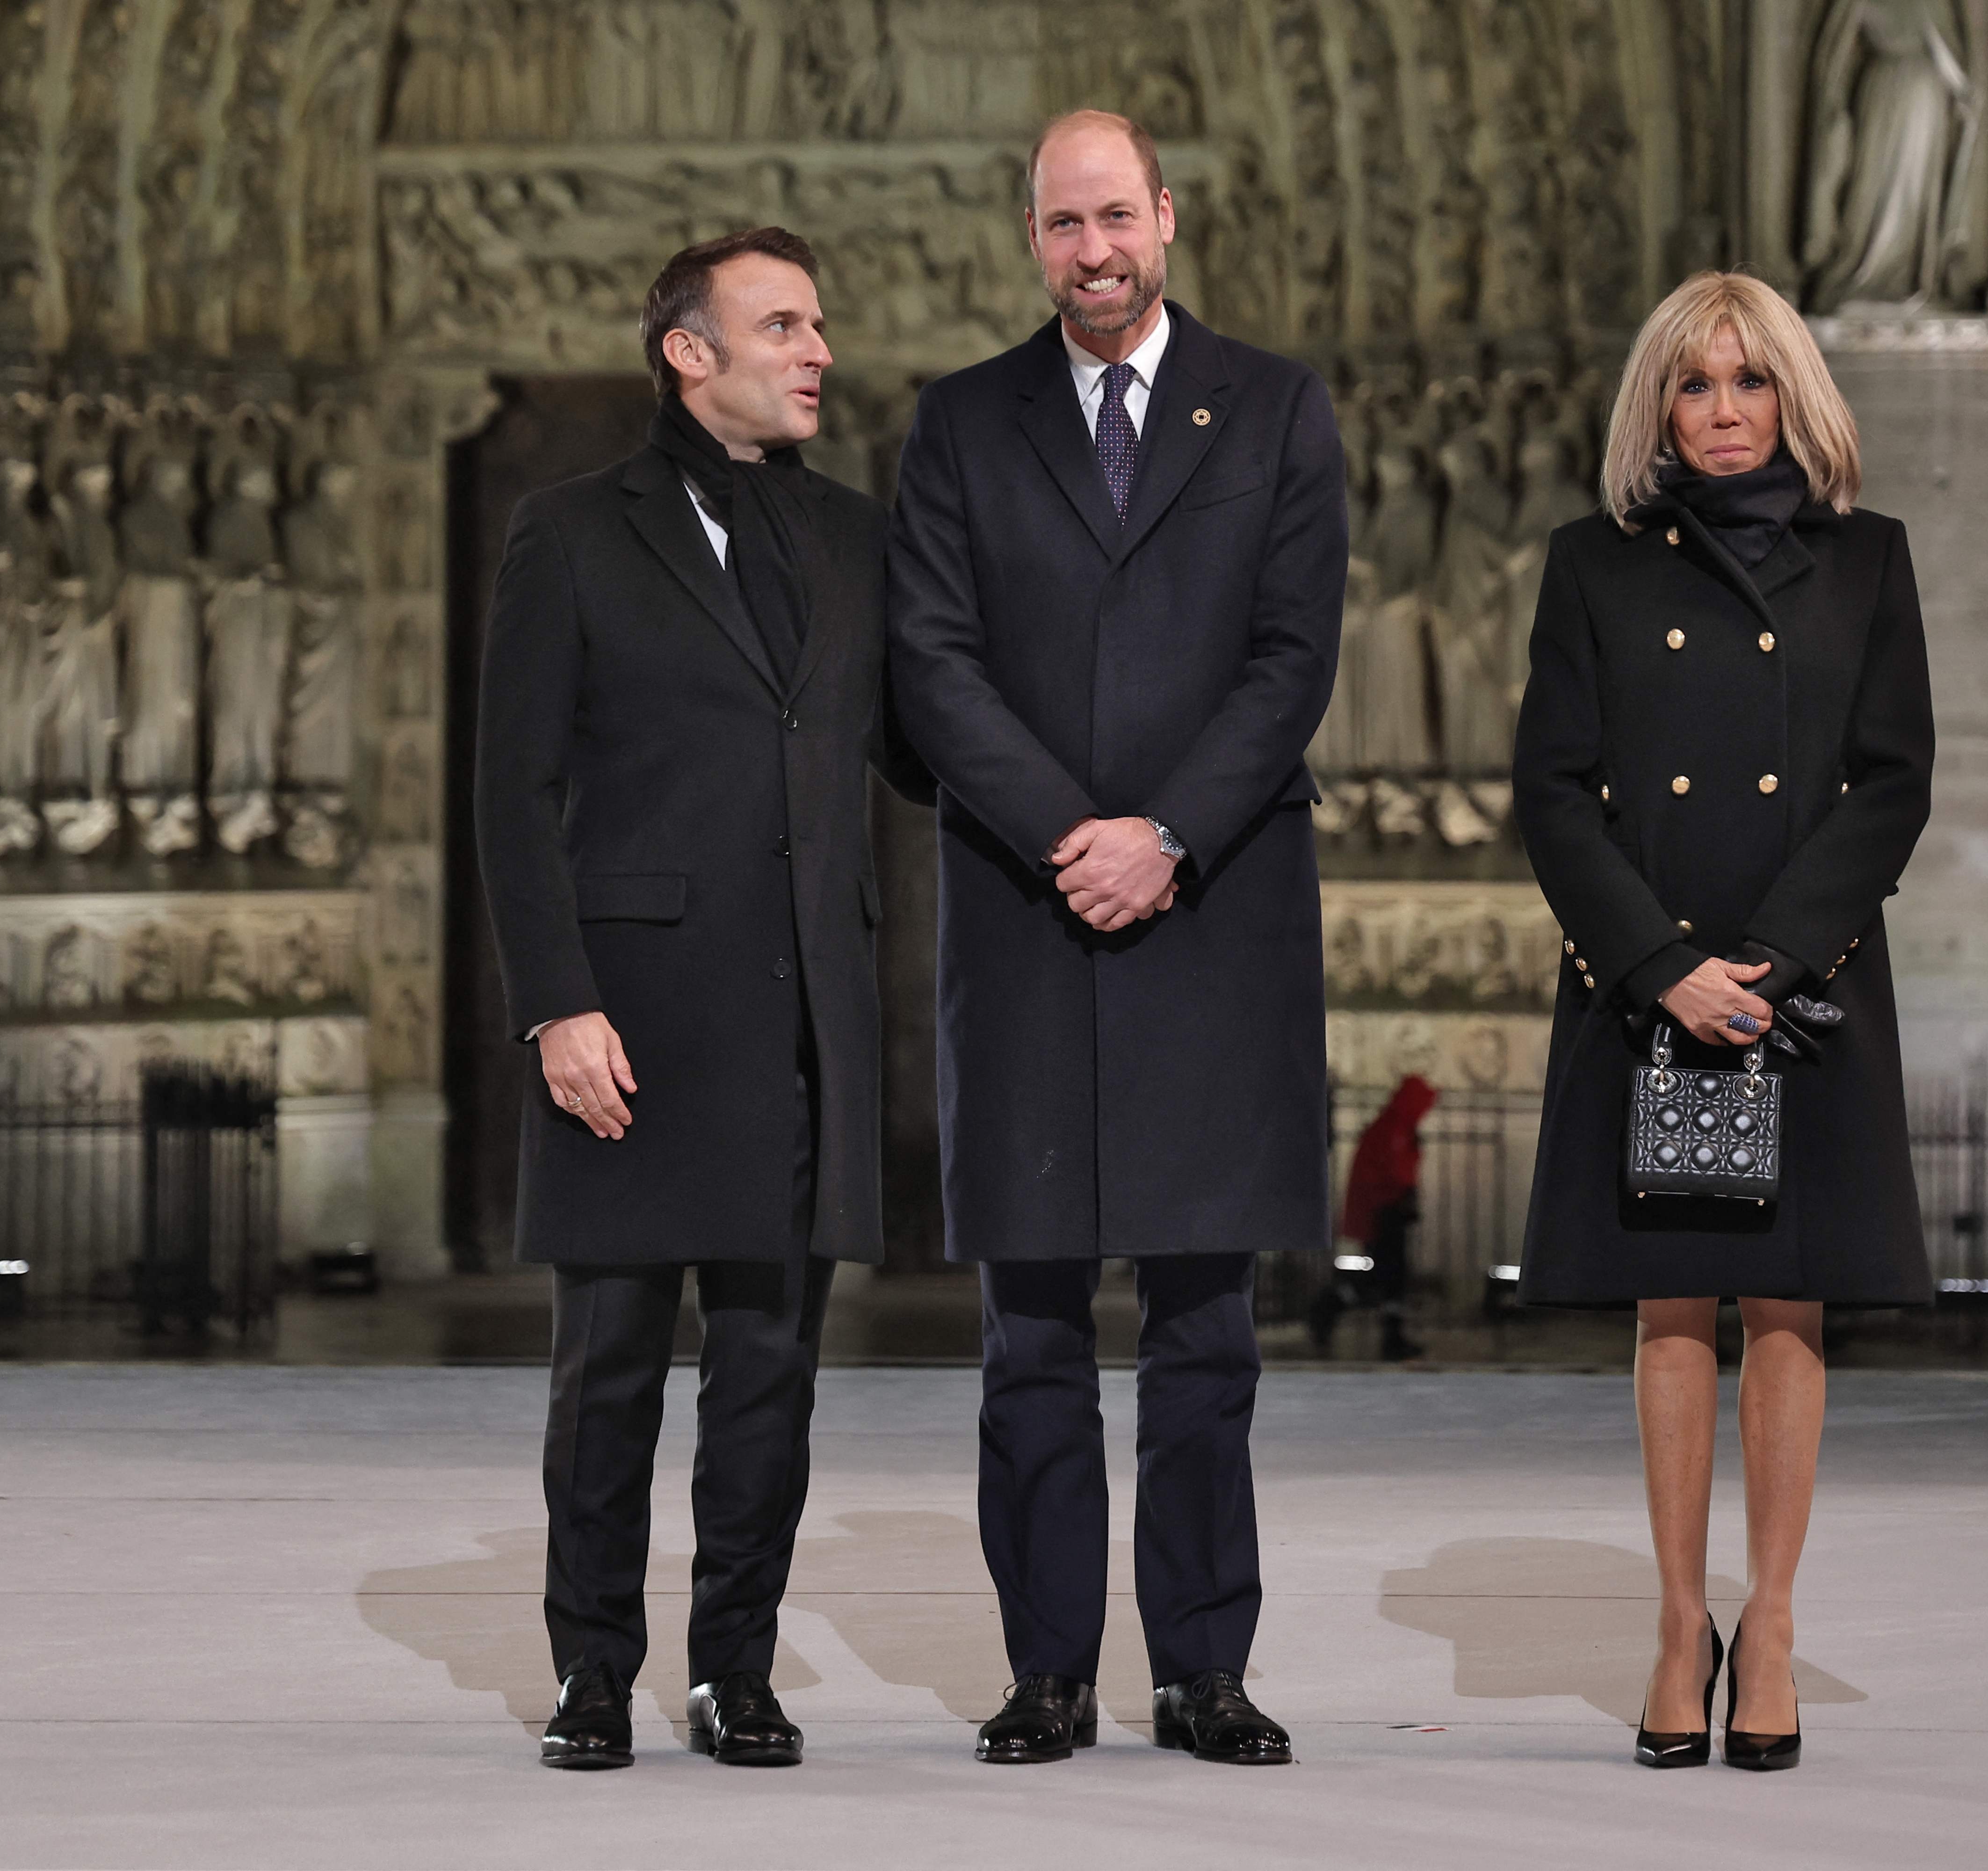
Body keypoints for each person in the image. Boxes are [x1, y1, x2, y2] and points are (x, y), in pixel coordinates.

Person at [887, 109, 1344, 1769]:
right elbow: (930, 661)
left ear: (1168, 214)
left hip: (1210, 918)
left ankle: (1205, 1673)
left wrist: (1166, 836)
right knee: (1029, 1341)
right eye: (1063, 224)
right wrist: (1070, 837)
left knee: (1210, 1336)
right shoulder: (956, 425)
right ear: (1032, 237)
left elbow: (1293, 660)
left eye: (1117, 217)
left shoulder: (1280, 409)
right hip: (1028, 920)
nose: (1095, 249)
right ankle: (1050, 1674)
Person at [475, 227, 930, 1773]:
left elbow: (925, 750)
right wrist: (556, 1005)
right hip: (631, 1021)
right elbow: (510, 792)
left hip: (801, 1021)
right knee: (608, 1375)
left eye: (820, 322)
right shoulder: (571, 531)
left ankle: (738, 1667)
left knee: (768, 1380)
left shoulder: (861, 539)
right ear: (689, 349)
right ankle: (593, 1669)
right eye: (783, 323)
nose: (817, 350)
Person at [1510, 270, 1934, 1773]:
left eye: (1749, 380)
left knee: (1791, 1302)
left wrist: (1768, 957)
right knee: (1673, 1304)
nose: (1723, 409)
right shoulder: (1592, 565)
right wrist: (1656, 963)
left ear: (1794, 396)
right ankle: (1675, 1622)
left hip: (1799, 981)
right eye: (1693, 384)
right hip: (1647, 981)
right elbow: (1550, 786)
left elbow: (1892, 778)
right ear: (1658, 407)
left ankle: (1772, 1621)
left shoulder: (1868, 563)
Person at [1314, 1075, 1439, 1361]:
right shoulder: (1394, 1128)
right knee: (1387, 1277)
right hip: (1386, 1215)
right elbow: (1393, 1174)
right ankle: (1332, 1307)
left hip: (1388, 1213)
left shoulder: (1398, 1127)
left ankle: (1384, 1332)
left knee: (1389, 1278)